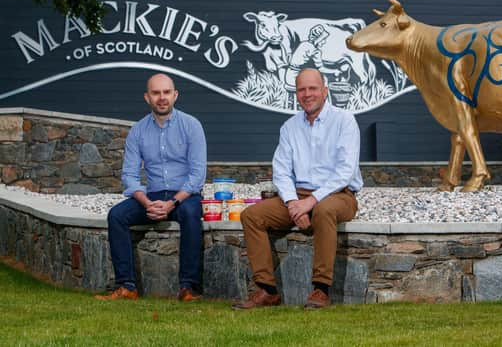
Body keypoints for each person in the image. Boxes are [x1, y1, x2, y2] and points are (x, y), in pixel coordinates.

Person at [233, 67, 363, 310]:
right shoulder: (289, 127)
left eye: (312, 88)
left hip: (339, 194)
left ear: (325, 91)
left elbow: (344, 173)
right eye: (301, 89)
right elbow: (281, 171)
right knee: (252, 215)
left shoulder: (345, 121)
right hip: (298, 195)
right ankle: (267, 290)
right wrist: (294, 204)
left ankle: (321, 290)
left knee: (324, 210)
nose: (307, 94)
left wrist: (310, 203)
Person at [95, 73, 207, 302]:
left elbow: (197, 176)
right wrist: (147, 203)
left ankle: (189, 287)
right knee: (116, 215)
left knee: (190, 212)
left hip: (184, 196)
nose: (162, 98)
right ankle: (127, 286)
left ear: (175, 95)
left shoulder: (191, 126)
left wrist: (172, 203)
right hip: (152, 196)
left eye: (166, 92)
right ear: (147, 97)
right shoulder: (138, 131)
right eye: (156, 93)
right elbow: (129, 175)